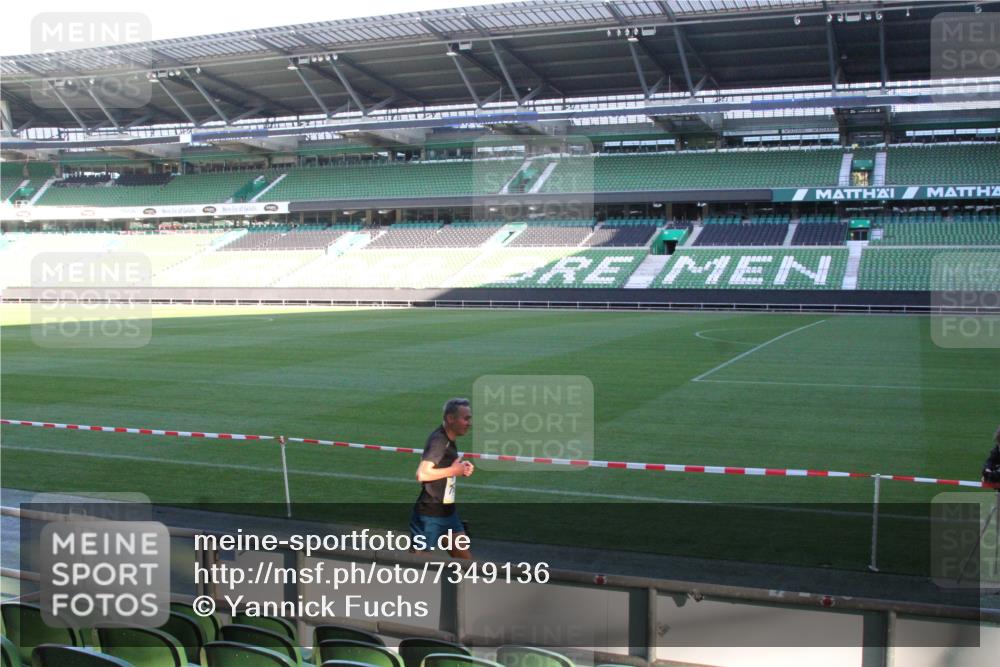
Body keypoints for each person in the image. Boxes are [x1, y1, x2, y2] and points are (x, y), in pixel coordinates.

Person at [410, 398, 475, 559]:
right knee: (416, 568)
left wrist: (459, 469)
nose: (469, 423)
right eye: (465, 418)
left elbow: (442, 467)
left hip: (447, 513)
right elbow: (422, 474)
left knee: (466, 562)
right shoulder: (439, 441)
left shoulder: (449, 439)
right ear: (450, 419)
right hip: (429, 515)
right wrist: (453, 470)